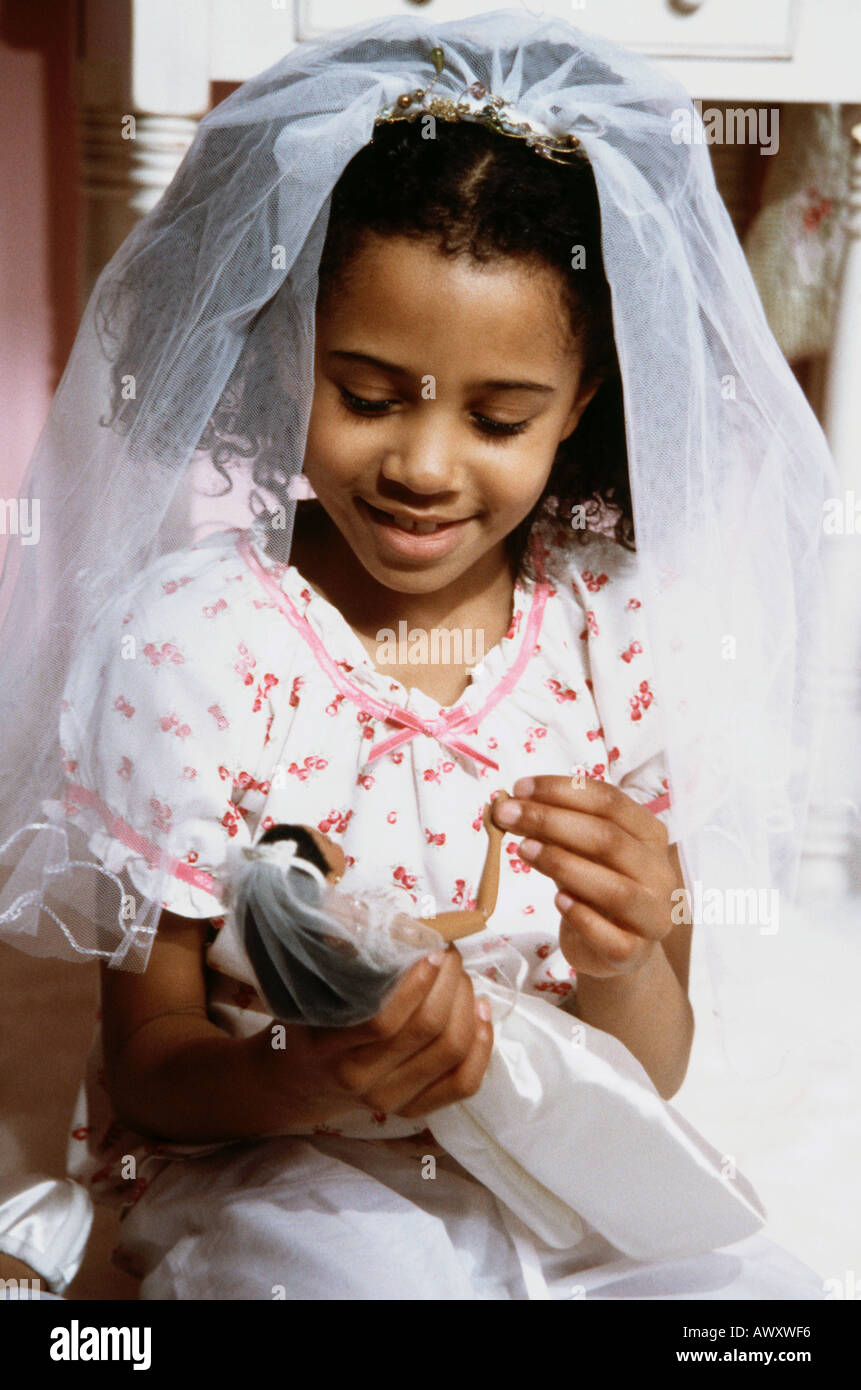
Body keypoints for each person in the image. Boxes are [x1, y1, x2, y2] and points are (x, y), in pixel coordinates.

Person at [0, 13, 833, 1299]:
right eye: (369, 393)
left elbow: (652, 1068)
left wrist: (623, 953)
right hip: (280, 1158)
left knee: (758, 1307)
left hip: (554, 1158)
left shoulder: (617, 638)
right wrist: (308, 1071)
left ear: (587, 402)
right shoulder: (199, 644)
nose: (425, 467)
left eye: (501, 417)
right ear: (289, 354)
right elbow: (156, 1061)